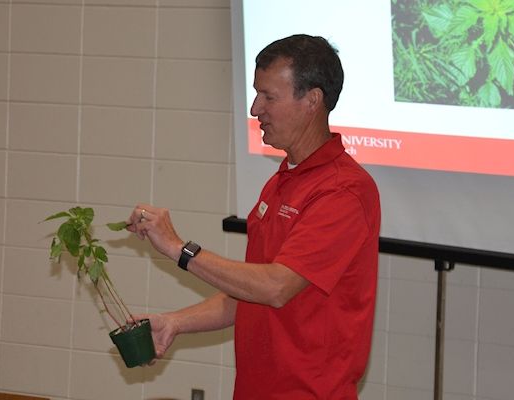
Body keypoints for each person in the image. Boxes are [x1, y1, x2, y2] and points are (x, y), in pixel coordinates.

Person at [127, 34, 381, 399]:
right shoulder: (282, 181)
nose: (255, 108)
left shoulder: (344, 191)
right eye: (256, 93)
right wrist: (175, 323)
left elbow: (275, 287)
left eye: (269, 97)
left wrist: (179, 248)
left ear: (312, 100)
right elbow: (247, 293)